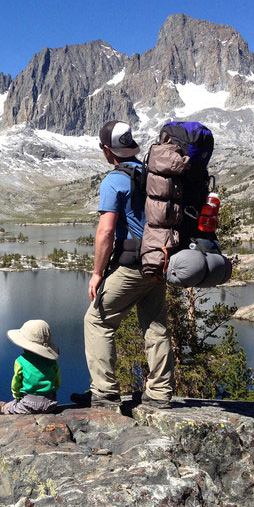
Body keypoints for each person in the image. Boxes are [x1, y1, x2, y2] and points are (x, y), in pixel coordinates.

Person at [72, 121, 174, 409]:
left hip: (132, 264)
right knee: (155, 325)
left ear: (108, 150)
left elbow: (105, 231)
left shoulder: (114, 180)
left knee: (97, 320)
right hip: (160, 260)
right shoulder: (153, 173)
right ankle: (160, 393)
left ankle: (104, 393)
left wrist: (96, 273)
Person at [0, 319, 61, 414]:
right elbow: (57, 382)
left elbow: (16, 383)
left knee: (14, 406)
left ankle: (4, 408)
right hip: (50, 404)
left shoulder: (20, 361)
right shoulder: (52, 362)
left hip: (28, 403)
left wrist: (17, 395)